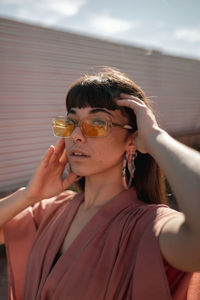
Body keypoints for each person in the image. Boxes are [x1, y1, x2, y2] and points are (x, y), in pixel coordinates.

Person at [0, 67, 200, 300]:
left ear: (133, 139)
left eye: (96, 123)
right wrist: (29, 196)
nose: (76, 135)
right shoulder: (52, 209)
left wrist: (155, 137)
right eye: (71, 122)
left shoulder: (147, 227)